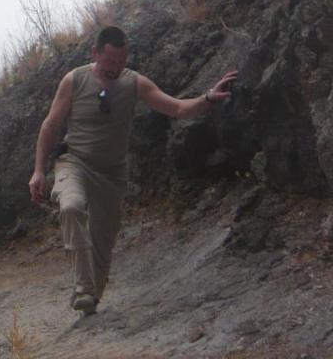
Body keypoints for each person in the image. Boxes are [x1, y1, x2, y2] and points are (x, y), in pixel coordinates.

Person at [28, 26, 237, 315]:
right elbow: (50, 125)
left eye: (121, 62)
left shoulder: (134, 83)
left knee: (103, 239)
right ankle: (84, 288)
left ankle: (91, 298)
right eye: (110, 61)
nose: (115, 68)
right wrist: (38, 171)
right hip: (74, 161)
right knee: (71, 207)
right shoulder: (74, 80)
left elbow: (176, 108)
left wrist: (208, 99)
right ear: (96, 54)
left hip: (112, 173)